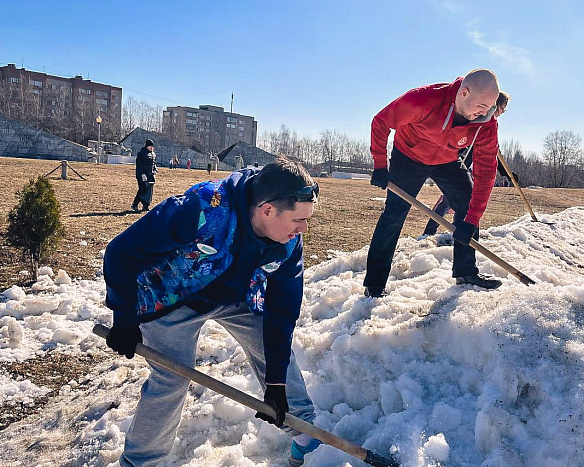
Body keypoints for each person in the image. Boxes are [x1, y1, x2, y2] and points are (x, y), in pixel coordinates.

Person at [104, 158, 321, 466]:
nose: (304, 229)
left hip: (239, 296)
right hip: (172, 298)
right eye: (298, 220)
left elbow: (282, 313)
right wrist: (124, 317)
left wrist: (275, 384)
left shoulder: (288, 243)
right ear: (267, 210)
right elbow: (121, 253)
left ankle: (305, 435)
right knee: (172, 377)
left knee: (277, 355)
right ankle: (141, 462)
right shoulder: (203, 208)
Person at [364, 69, 502, 297]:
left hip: (447, 159)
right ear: (464, 93)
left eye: (490, 107)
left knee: (467, 205)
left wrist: (472, 220)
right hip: (409, 155)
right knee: (394, 215)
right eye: (481, 106)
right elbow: (381, 122)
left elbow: (486, 172)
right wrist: (379, 164)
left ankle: (465, 271)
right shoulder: (422, 100)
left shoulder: (486, 122)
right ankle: (375, 285)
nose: (485, 113)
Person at [422, 91, 515, 237]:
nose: (503, 111)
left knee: (457, 202)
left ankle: (453, 230)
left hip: (467, 168)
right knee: (448, 202)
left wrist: (505, 173)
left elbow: (494, 153)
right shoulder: (477, 118)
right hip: (457, 164)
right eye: (503, 107)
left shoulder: (490, 125)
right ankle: (430, 232)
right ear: (495, 105)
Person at [131, 139, 157, 212]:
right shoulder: (142, 153)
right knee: (142, 190)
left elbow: (154, 164)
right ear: (146, 146)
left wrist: (155, 170)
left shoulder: (153, 154)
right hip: (141, 176)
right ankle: (135, 204)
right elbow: (139, 165)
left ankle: (145, 206)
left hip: (150, 175)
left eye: (152, 146)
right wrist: (142, 174)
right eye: (150, 146)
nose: (151, 148)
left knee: (149, 191)